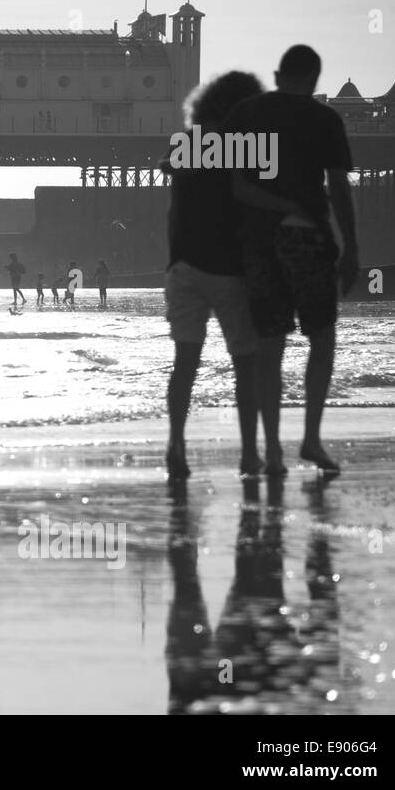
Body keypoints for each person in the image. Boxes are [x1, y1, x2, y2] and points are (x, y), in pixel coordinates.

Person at [224, 45, 359, 476]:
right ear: (315, 79)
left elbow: (227, 179)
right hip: (307, 240)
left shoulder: (247, 113)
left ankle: (273, 452)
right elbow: (338, 187)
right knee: (321, 338)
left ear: (280, 74)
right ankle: (312, 440)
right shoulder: (325, 119)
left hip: (260, 244)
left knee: (270, 347)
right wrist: (351, 246)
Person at [162, 70, 267, 479]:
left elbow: (174, 188)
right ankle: (248, 453)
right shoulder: (247, 148)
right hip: (227, 268)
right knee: (245, 362)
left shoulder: (188, 143)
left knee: (185, 361)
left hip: (183, 265)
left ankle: (176, 443)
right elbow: (250, 199)